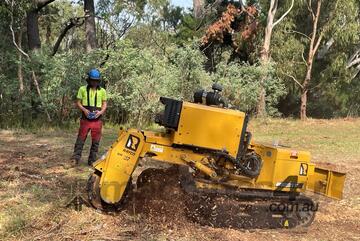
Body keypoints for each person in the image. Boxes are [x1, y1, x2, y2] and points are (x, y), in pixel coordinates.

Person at [71, 69, 107, 166]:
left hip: (97, 120)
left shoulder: (102, 91)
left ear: (98, 81)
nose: (94, 82)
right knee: (81, 139)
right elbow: (78, 102)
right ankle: (75, 158)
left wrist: (100, 112)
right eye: (92, 80)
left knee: (96, 141)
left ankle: (92, 160)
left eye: (96, 80)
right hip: (85, 119)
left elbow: (104, 104)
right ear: (89, 80)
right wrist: (84, 110)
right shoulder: (82, 89)